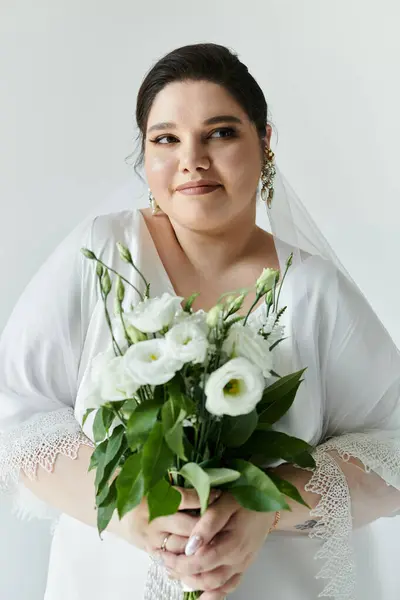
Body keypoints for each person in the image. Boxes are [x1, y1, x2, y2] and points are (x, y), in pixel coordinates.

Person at [0, 43, 400, 600]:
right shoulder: (104, 256)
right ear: (144, 154)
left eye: (220, 133)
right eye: (166, 139)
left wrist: (265, 508)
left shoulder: (313, 292)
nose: (192, 159)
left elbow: (392, 450)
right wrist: (132, 511)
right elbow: (16, 415)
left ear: (264, 143)